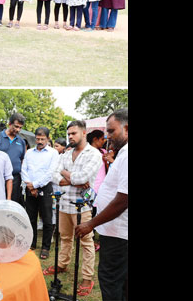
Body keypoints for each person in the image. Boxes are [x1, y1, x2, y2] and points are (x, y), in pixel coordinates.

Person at [43, 120, 102, 297]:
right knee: (65, 237)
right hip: (64, 203)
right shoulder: (66, 154)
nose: (70, 136)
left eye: (74, 133)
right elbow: (53, 175)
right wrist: (73, 179)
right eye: (68, 134)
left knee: (86, 242)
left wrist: (65, 174)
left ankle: (86, 277)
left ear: (84, 133)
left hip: (82, 206)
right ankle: (62, 264)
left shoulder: (94, 154)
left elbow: (84, 177)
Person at [75, 109, 128, 301]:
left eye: (112, 131)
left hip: (119, 234)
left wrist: (91, 224)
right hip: (116, 232)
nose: (107, 136)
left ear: (127, 129)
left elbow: (123, 199)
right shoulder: (122, 153)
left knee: (111, 280)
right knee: (120, 283)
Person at [21, 127, 59, 260]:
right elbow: (23, 169)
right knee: (31, 218)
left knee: (47, 219)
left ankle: (46, 247)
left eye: (43, 139)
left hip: (45, 188)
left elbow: (50, 173)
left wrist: (35, 185)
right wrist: (30, 186)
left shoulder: (53, 153)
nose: (40, 141)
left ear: (48, 139)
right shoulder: (29, 152)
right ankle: (31, 243)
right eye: (38, 139)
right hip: (29, 188)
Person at [0, 113, 28, 206]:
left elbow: (22, 160)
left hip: (15, 179)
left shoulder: (21, 141)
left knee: (12, 205)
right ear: (9, 124)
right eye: (16, 126)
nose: (18, 130)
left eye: (20, 127)